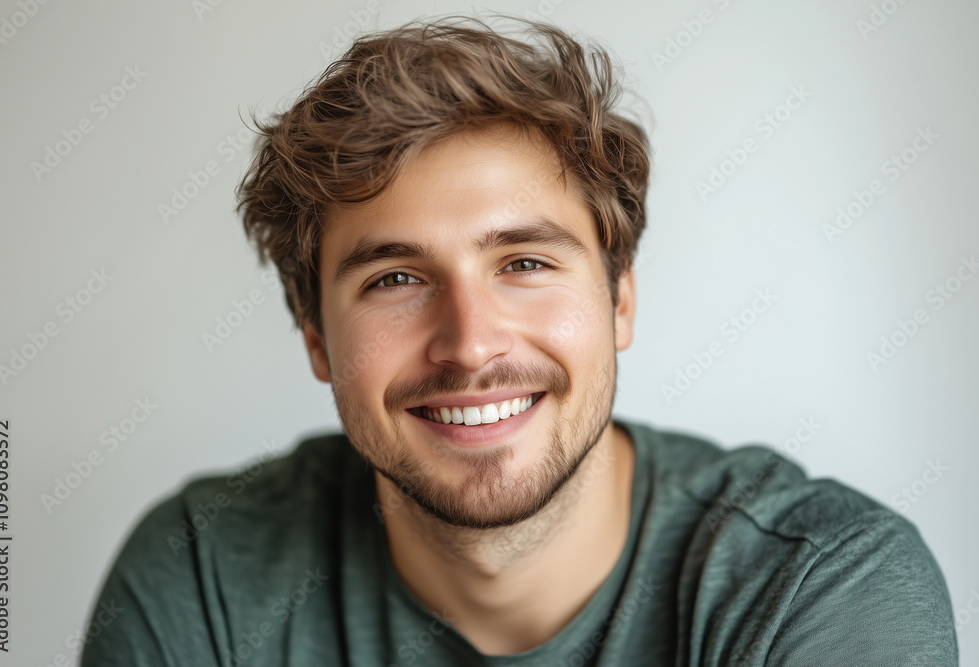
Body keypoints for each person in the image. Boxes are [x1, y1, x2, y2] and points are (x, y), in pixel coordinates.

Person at [81, 15, 958, 666]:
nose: (469, 344)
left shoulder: (817, 584)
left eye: (525, 262)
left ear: (619, 299)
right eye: (394, 279)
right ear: (315, 336)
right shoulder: (202, 576)